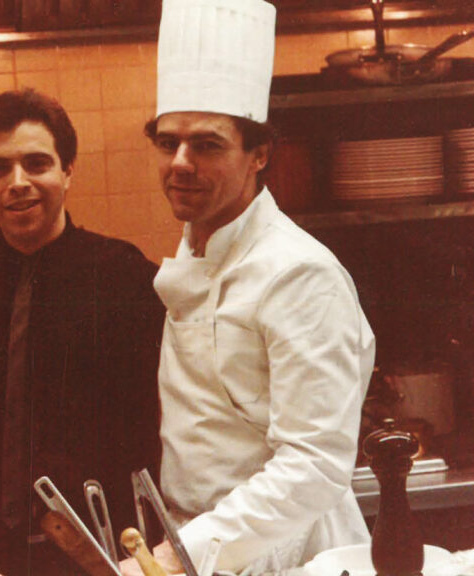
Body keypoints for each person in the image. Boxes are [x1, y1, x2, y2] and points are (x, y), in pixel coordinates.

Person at [122, 0, 374, 573]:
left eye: (207, 145)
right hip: (200, 546)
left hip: (289, 553)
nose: (180, 163)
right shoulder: (195, 255)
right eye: (168, 143)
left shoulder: (298, 275)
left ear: (259, 154)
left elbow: (312, 464)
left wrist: (189, 551)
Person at [0, 88, 164, 575]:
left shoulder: (127, 279)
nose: (17, 182)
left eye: (36, 163)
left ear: (68, 171)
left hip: (105, 552)